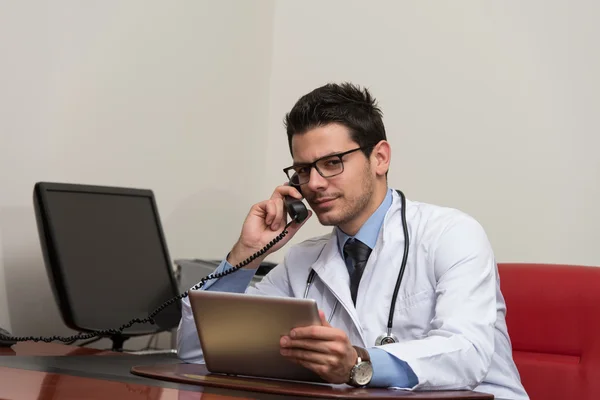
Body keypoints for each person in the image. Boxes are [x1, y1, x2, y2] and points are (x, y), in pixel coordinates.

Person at [177, 82, 529, 399]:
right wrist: (248, 254)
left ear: (379, 158)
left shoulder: (452, 234)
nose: (313, 183)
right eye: (302, 170)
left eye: (331, 163)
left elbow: (467, 353)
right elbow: (197, 353)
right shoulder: (301, 262)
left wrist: (358, 362)